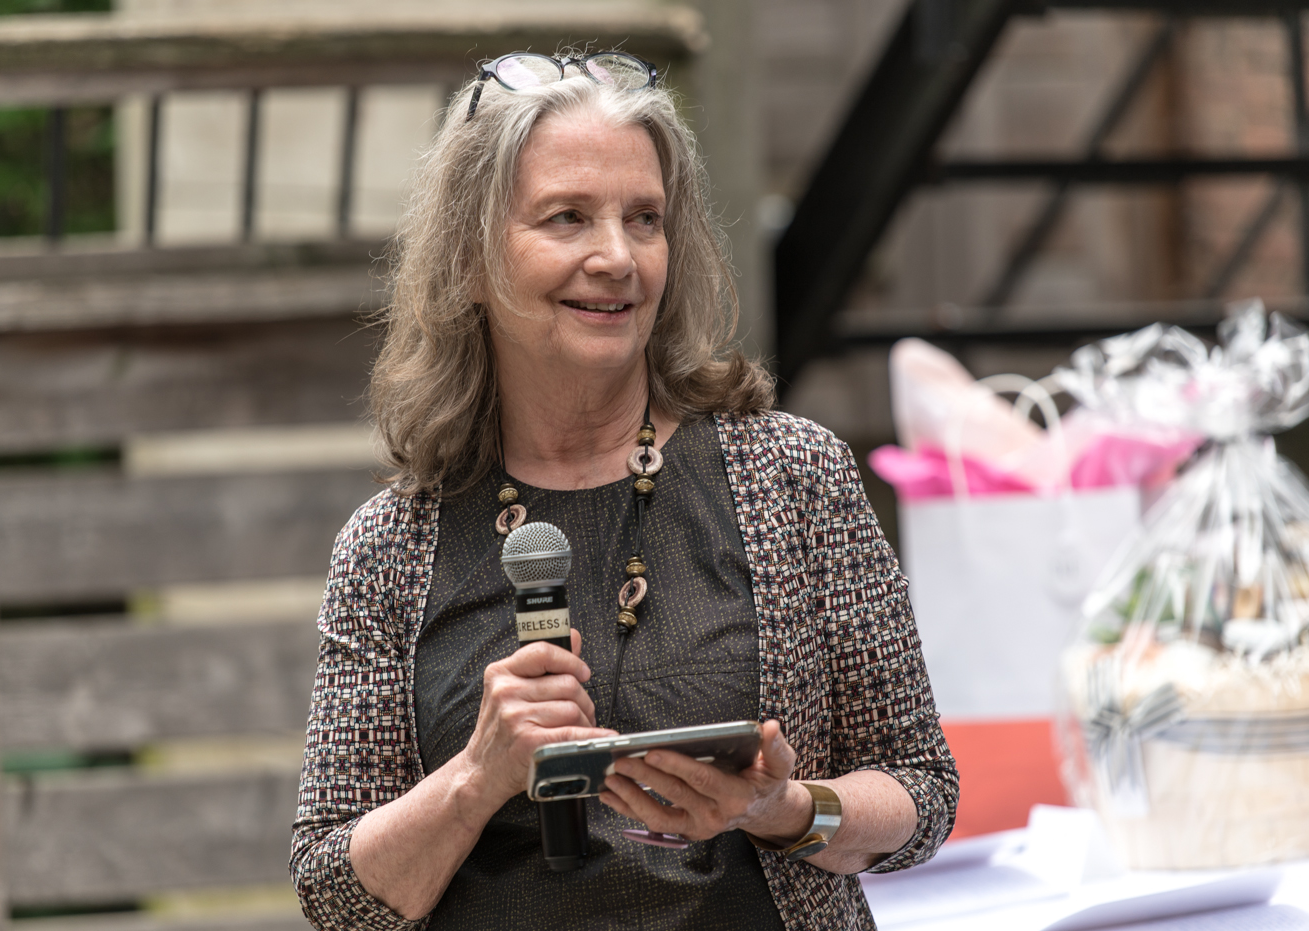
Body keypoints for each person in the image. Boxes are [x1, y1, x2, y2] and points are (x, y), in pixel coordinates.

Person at [290, 51, 958, 931]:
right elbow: (335, 894)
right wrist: (477, 774)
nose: (616, 256)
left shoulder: (793, 477)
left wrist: (783, 808)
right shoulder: (390, 546)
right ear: (471, 260)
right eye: (567, 218)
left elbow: (922, 792)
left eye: (644, 219)